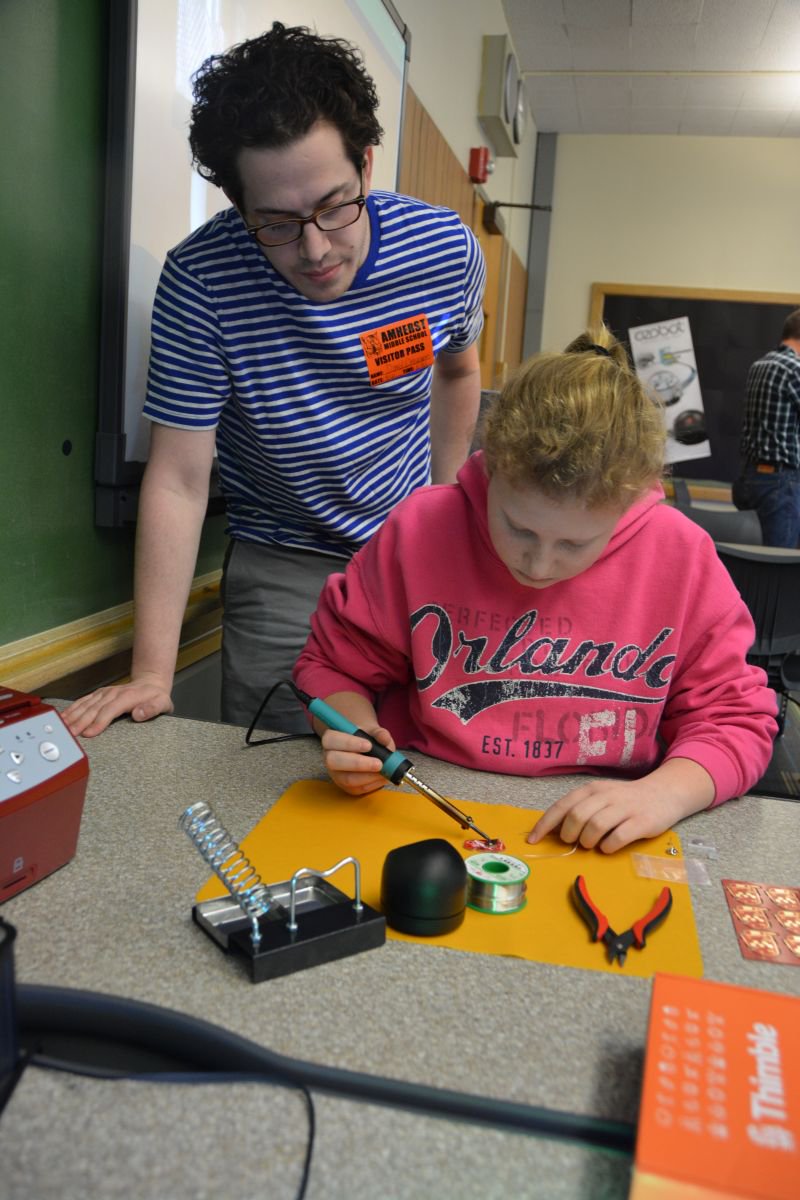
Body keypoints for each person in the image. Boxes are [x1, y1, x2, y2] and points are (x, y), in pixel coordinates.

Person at [63, 23, 485, 738]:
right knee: (281, 769)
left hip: (413, 555)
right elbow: (179, 478)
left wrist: (441, 507)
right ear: (239, 207)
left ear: (367, 165)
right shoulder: (201, 280)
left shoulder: (443, 251)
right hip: (283, 558)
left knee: (426, 753)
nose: (316, 249)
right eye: (278, 224)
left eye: (334, 207)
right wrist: (152, 674)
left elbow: (459, 368)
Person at [293, 328, 777, 854]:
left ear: (629, 503)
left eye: (575, 543)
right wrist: (356, 735)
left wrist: (665, 794)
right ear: (492, 466)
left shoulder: (680, 554)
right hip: (421, 802)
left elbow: (735, 720)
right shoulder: (421, 528)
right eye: (519, 529)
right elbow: (334, 667)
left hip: (604, 821)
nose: (539, 565)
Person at [732, 308, 800, 547]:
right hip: (780, 483)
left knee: (750, 557)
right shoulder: (794, 368)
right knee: (778, 561)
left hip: (749, 476)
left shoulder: (760, 364)